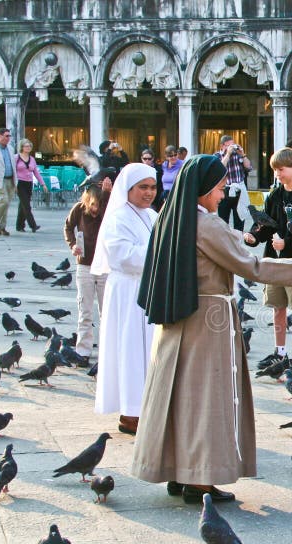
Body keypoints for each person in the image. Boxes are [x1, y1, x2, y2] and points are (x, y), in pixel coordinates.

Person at [132, 154, 292, 504]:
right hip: (208, 318)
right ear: (205, 188)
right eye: (221, 188)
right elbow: (249, 265)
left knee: (179, 396)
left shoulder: (171, 216)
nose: (223, 194)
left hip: (178, 319)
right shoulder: (206, 225)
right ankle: (200, 479)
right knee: (206, 398)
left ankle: (178, 471)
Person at [91, 163, 158, 435]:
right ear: (128, 189)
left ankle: (146, 407)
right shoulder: (118, 217)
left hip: (147, 289)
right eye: (143, 187)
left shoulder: (152, 215)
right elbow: (123, 256)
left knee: (148, 351)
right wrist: (160, 252)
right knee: (130, 351)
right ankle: (130, 412)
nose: (149, 193)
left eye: (152, 187)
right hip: (128, 292)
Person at [244, 147, 292, 360]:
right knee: (278, 308)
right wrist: (254, 237)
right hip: (275, 262)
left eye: (281, 169)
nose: (277, 174)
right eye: (275, 170)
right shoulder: (274, 195)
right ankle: (280, 351)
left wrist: (287, 245)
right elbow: (266, 224)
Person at [64, 173, 113, 360]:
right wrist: (72, 245)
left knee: (106, 311)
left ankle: (106, 351)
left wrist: (107, 194)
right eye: (92, 205)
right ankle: (83, 351)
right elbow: (68, 227)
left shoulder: (105, 209)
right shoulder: (79, 209)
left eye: (98, 205)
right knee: (85, 310)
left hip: (104, 265)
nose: (95, 209)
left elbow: (110, 214)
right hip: (84, 265)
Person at [215, 134, 251, 230]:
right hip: (224, 190)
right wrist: (228, 154)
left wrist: (242, 154)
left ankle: (238, 242)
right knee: (223, 221)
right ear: (222, 146)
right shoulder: (217, 156)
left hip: (239, 190)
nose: (232, 148)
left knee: (240, 218)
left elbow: (248, 167)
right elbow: (220, 168)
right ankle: (224, 242)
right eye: (229, 145)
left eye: (233, 145)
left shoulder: (238, 155)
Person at [14, 139, 47, 233]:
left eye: (29, 146)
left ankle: (19, 226)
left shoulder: (32, 159)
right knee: (27, 206)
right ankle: (33, 225)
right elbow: (13, 171)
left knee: (23, 205)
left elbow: (36, 172)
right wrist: (14, 183)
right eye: (26, 146)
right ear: (22, 147)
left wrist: (43, 184)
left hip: (29, 183)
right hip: (20, 183)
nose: (28, 148)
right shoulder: (16, 157)